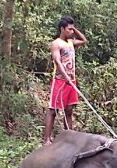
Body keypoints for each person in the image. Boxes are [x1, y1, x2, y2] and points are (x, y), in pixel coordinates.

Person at [43, 16, 88, 145]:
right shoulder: (56, 43)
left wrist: (74, 28)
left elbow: (84, 40)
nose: (72, 32)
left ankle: (69, 137)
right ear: (62, 29)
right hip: (60, 81)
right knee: (53, 110)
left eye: (72, 29)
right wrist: (65, 76)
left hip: (71, 81)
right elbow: (57, 61)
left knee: (69, 110)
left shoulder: (71, 42)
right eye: (69, 29)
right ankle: (47, 139)